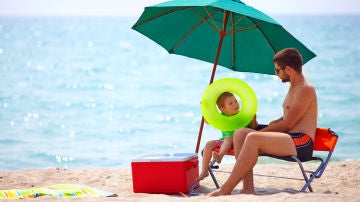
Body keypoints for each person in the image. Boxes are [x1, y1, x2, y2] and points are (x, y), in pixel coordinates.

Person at [208, 48, 318, 196]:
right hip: (289, 138)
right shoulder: (293, 87)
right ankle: (247, 188)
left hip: (301, 142)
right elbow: (289, 117)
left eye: (278, 70)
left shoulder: (305, 89)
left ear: (289, 69)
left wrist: (258, 133)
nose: (276, 73)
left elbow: (289, 124)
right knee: (240, 133)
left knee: (252, 137)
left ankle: (225, 189)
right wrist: (274, 122)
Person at [198, 92, 257, 181]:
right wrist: (204, 107)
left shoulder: (243, 116)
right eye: (231, 103)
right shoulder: (222, 117)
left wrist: (253, 119)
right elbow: (207, 121)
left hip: (239, 143)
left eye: (235, 101)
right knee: (209, 144)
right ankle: (204, 170)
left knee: (229, 138)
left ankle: (219, 156)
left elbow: (253, 127)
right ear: (223, 109)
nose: (235, 104)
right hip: (224, 142)